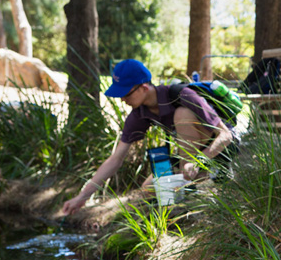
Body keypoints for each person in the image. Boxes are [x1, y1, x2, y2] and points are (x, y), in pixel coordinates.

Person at [62, 59, 235, 215]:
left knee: (182, 114)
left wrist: (198, 161)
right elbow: (116, 159)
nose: (122, 99)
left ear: (144, 87)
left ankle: (203, 183)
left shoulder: (182, 95)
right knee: (149, 189)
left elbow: (226, 135)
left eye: (126, 93)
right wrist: (82, 197)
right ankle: (191, 190)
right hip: (190, 159)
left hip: (217, 152)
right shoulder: (139, 115)